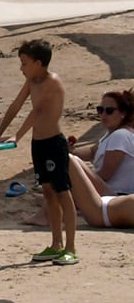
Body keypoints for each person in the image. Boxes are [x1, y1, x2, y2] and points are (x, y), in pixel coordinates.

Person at [0, 40, 76, 264]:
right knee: (48, 194)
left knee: (63, 193)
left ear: (39, 63)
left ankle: (71, 247)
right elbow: (16, 105)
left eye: (24, 63)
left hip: (54, 144)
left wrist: (16, 136)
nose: (21, 68)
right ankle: (55, 244)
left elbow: (36, 112)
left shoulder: (52, 82)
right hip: (38, 144)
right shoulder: (32, 81)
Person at [61, 90, 134, 228]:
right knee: (70, 162)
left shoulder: (120, 136)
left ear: (123, 113)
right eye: (100, 110)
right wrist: (72, 151)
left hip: (115, 196)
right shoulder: (111, 135)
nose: (103, 115)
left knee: (69, 165)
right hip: (112, 195)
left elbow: (105, 174)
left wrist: (80, 183)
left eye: (109, 111)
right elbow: (91, 151)